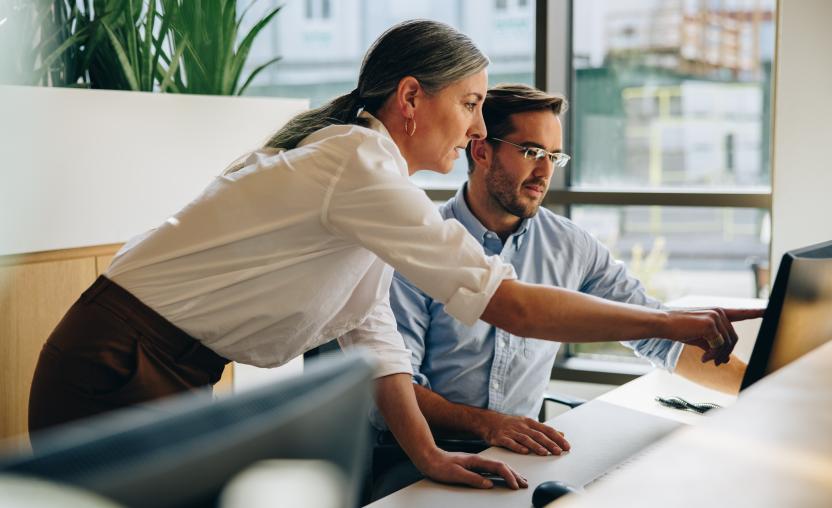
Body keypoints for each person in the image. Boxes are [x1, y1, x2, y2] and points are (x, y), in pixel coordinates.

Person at [28, 20, 759, 491]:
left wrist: (430, 457)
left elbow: (372, 337)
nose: (477, 126)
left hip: (164, 363)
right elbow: (510, 305)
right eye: (471, 103)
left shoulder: (372, 184)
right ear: (412, 98)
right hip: (118, 360)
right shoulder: (358, 167)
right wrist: (673, 325)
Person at [372, 86, 749, 490]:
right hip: (421, 456)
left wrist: (761, 390)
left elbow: (660, 337)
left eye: (554, 157)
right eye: (532, 152)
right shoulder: (420, 244)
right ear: (481, 151)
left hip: (520, 457)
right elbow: (396, 385)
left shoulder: (570, 245)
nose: (545, 173)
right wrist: (487, 425)